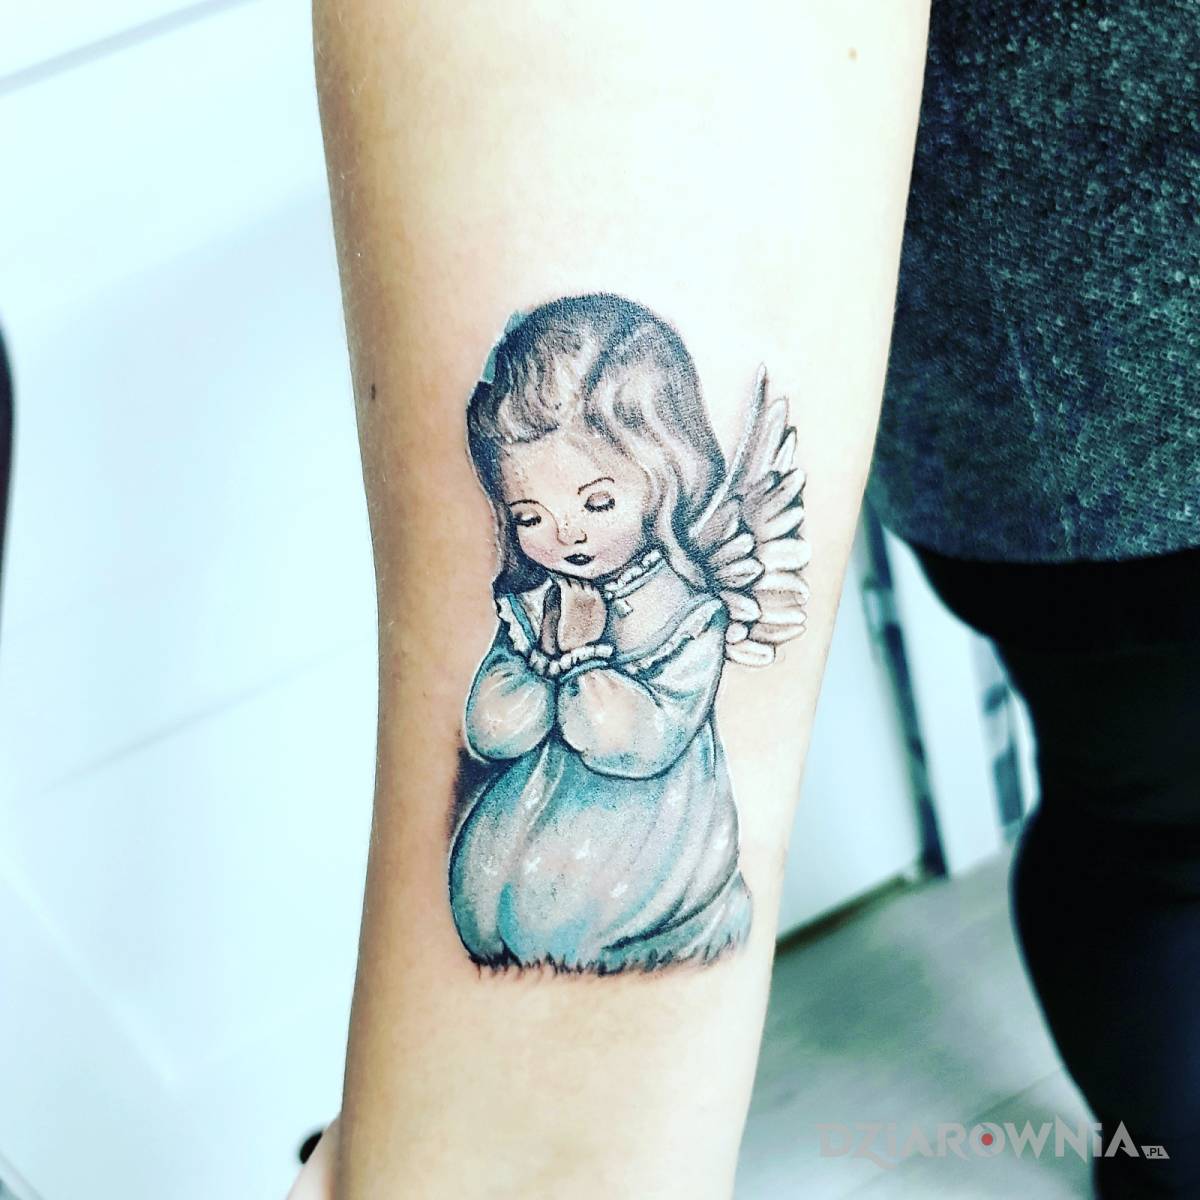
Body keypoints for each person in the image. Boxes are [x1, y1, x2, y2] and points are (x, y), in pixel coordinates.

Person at [293, 2, 1197, 1197]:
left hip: (650, 843)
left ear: (668, 476)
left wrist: (585, 685)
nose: (560, 538)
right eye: (527, 515)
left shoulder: (680, 607)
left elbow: (647, 731)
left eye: (594, 501)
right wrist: (521, 1161)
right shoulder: (534, 607)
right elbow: (631, 77)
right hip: (1113, 410)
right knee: (1162, 814)